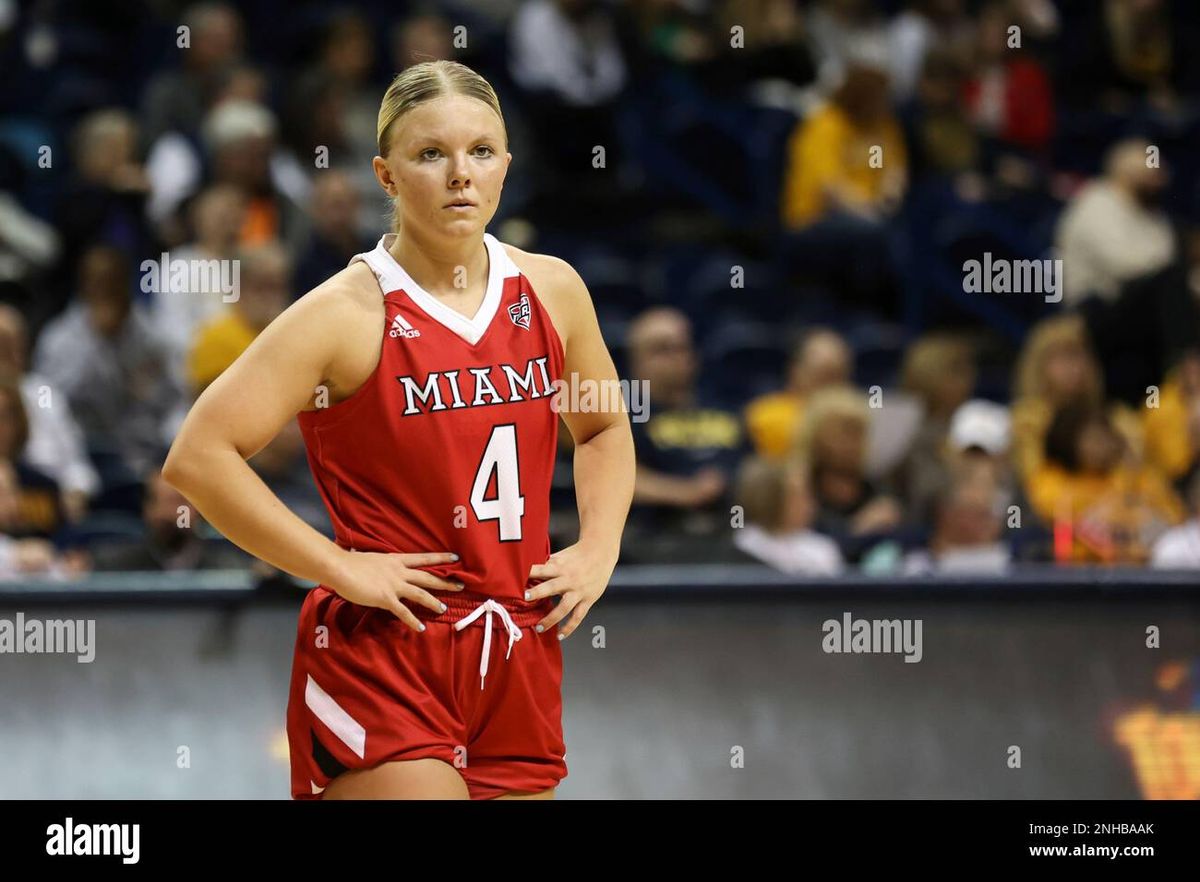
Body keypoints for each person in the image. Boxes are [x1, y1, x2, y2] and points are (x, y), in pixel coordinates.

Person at [163, 60, 635, 800]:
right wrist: (336, 566)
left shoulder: (553, 288)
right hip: (388, 649)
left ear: (506, 166)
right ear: (385, 175)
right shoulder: (346, 312)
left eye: (481, 151)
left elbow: (603, 426)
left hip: (518, 643)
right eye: (430, 154)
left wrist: (600, 547)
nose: (460, 175)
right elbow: (198, 456)